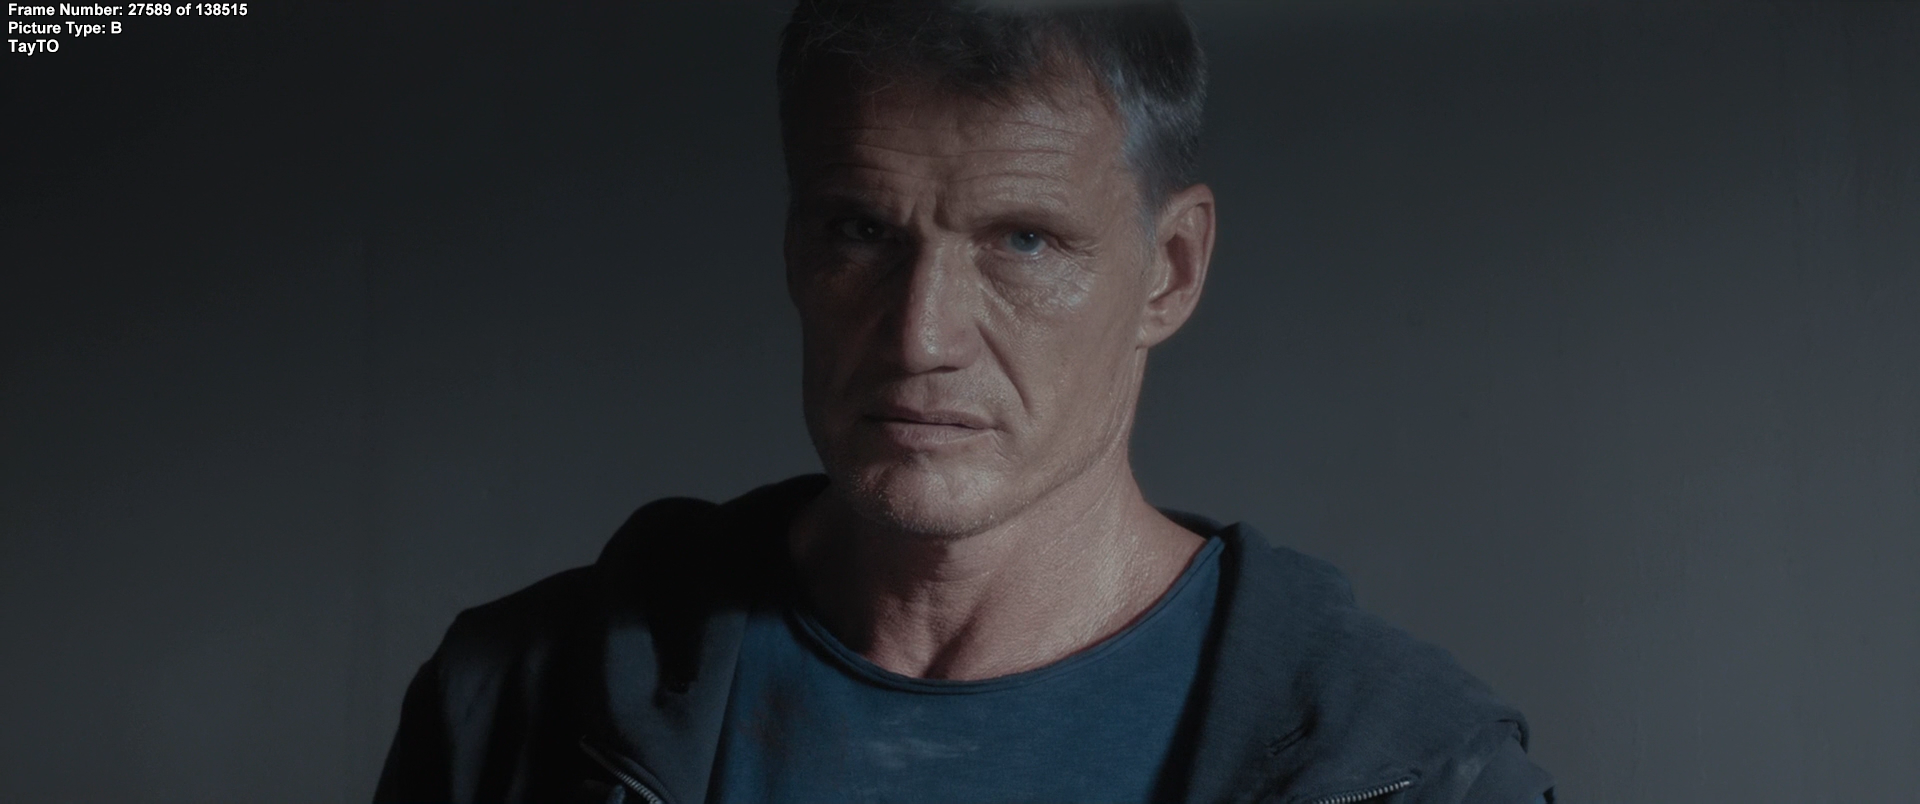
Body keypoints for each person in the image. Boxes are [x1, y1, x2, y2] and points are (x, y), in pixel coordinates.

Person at [373, 2, 1556, 802]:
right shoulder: (519, 702)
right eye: (860, 231)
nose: (920, 335)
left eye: (1023, 241)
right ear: (794, 246)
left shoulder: (1413, 771)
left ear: (1171, 270)